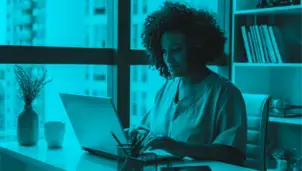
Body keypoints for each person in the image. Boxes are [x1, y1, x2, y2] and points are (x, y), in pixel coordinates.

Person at [125, 2, 247, 165]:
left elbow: (234, 154)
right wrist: (135, 135)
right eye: (164, 51)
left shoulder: (225, 94)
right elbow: (146, 129)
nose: (168, 59)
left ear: (197, 47)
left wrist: (182, 148)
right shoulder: (166, 89)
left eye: (176, 50)